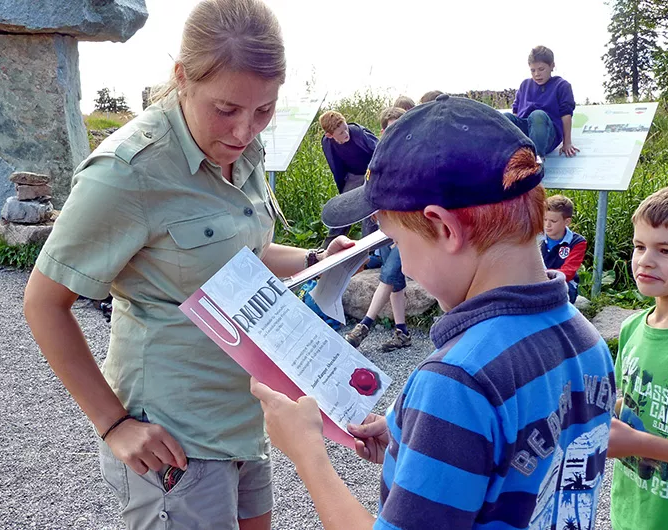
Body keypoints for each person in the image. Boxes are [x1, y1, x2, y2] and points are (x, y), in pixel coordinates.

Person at [22, 1, 351, 529]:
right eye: (227, 108)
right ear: (182, 77)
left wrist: (316, 260)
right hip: (176, 437)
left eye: (264, 110)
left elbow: (237, 259)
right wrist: (113, 425)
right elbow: (43, 303)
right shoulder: (126, 173)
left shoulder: (241, 151)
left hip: (243, 419)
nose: (245, 129)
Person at [251, 94, 615, 530]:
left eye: (398, 243)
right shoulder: (586, 340)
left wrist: (308, 455)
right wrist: (410, 438)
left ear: (444, 227)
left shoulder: (459, 382)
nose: (402, 265)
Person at [607, 185, 668, 530]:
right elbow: (627, 403)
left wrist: (637, 443)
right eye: (639, 246)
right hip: (629, 511)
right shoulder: (632, 327)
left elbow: (634, 438)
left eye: (666, 250)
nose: (646, 260)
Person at [345, 106, 410, 351]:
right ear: (383, 131)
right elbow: (369, 190)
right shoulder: (378, 158)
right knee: (396, 279)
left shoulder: (414, 156)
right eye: (392, 128)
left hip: (408, 229)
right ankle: (402, 332)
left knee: (390, 273)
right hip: (386, 227)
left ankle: (364, 326)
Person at [505, 45, 579, 158]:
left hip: (547, 131)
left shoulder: (561, 85)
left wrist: (567, 143)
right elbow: (515, 113)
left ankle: (536, 158)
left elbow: (566, 115)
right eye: (532, 70)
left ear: (552, 66)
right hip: (525, 131)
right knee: (504, 117)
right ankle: (500, 153)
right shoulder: (525, 85)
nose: (537, 74)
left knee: (537, 115)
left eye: (541, 69)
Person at [318, 110, 378, 247]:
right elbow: (336, 167)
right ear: (329, 135)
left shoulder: (358, 132)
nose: (346, 134)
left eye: (346, 128)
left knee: (368, 208)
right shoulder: (327, 143)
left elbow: (381, 150)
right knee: (344, 206)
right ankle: (329, 245)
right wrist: (343, 187)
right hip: (353, 175)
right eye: (340, 133)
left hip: (372, 171)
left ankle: (369, 248)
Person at [541, 194, 587, 303]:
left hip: (564, 284)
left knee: (558, 296)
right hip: (537, 281)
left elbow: (569, 271)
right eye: (545, 219)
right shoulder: (536, 236)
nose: (547, 225)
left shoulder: (577, 242)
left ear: (567, 222)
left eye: (553, 221)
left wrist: (542, 276)